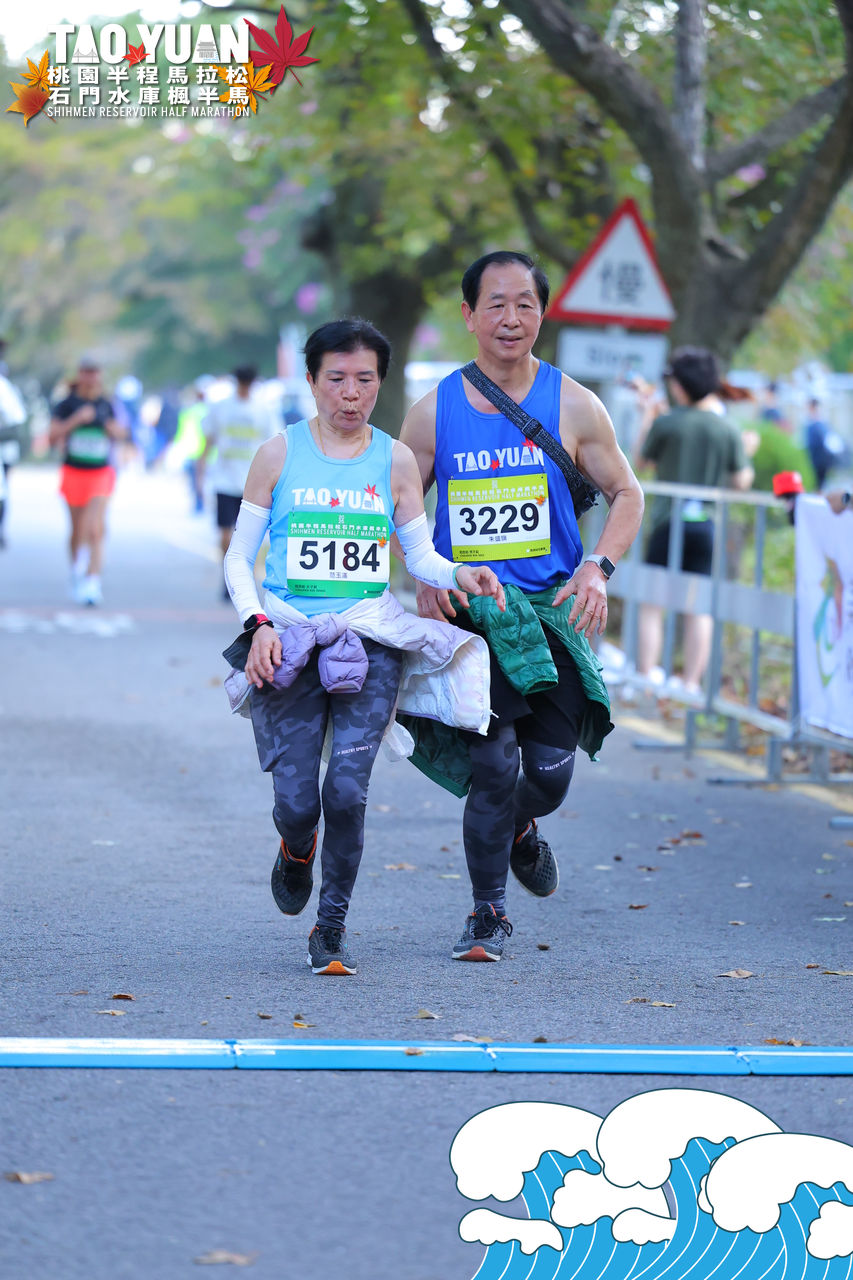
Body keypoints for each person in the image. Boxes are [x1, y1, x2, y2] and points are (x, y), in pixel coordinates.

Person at [223, 319, 504, 976]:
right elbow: (238, 557)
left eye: (365, 380)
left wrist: (458, 573)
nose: (351, 394)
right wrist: (258, 624)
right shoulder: (277, 455)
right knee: (298, 804)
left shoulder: (395, 459)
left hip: (370, 641)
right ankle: (296, 848)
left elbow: (420, 556)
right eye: (336, 379)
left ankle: (331, 927)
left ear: (380, 382)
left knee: (347, 790)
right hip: (289, 643)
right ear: (312, 380)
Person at [400, 250, 644, 962]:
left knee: (548, 776)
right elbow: (398, 499)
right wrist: (423, 570)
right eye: (496, 305)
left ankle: (520, 829)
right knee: (494, 764)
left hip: (550, 614)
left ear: (542, 313)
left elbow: (627, 493)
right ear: (470, 315)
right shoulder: (435, 409)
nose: (511, 318)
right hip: (473, 616)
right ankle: (488, 915)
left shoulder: (575, 404)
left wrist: (597, 568)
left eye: (525, 304)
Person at [635, 346, 754, 696]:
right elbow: (742, 480)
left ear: (679, 385)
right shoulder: (726, 428)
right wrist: (748, 449)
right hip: (706, 524)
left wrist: (647, 416)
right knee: (698, 606)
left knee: (652, 601)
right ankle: (690, 684)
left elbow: (640, 461)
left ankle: (646, 676)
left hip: (666, 522)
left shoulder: (668, 422)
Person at [49, 359, 125, 606]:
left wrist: (110, 427)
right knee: (77, 529)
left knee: (95, 528)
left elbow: (122, 433)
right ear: (80, 374)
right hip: (73, 472)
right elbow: (51, 436)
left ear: (100, 375)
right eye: (86, 372)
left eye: (95, 372)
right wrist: (76, 420)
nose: (91, 377)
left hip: (100, 473)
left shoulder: (106, 404)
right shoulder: (66, 404)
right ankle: (76, 569)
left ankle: (93, 582)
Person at [199, 366, 279, 598]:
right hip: (225, 480)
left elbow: (274, 444)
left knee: (250, 536)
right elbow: (209, 439)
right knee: (226, 533)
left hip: (253, 482)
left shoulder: (263, 410)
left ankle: (243, 579)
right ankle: (228, 576)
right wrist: (201, 469)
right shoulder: (221, 408)